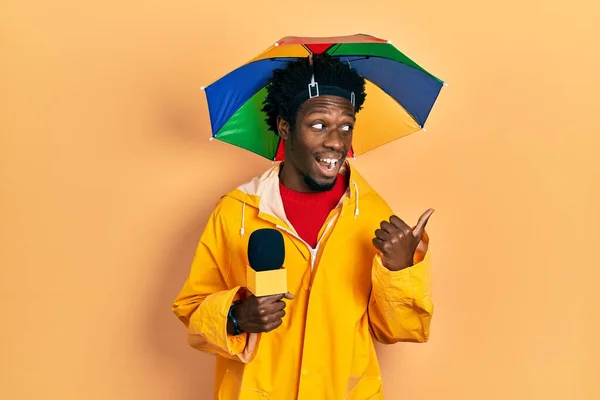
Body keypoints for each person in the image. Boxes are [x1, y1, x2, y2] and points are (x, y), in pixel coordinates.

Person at [172, 53, 434, 399]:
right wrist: (236, 317)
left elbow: (398, 331)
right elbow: (193, 310)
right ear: (284, 126)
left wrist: (400, 271)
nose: (337, 142)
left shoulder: (373, 214)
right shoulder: (236, 211)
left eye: (346, 125)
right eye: (319, 124)